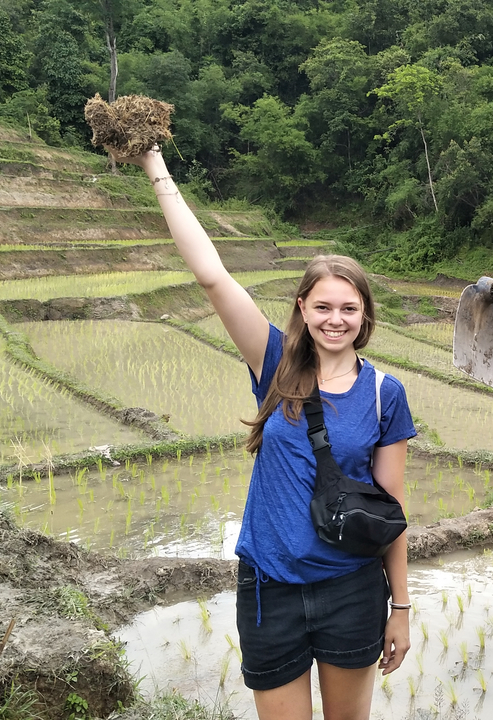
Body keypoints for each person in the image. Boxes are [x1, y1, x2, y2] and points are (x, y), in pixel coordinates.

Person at [117, 146, 415, 720]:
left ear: (365, 315)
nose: (335, 319)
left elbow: (392, 509)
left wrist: (399, 605)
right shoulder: (274, 363)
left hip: (351, 589)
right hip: (269, 590)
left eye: (349, 308)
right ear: (302, 308)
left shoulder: (385, 394)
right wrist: (155, 164)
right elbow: (211, 276)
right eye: (323, 306)